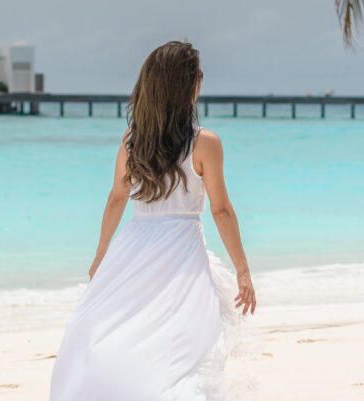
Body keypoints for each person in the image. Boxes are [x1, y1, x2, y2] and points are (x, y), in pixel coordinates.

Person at [49, 40, 256, 401]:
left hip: (134, 242)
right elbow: (222, 211)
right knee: (182, 332)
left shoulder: (133, 141)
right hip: (181, 248)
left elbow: (116, 198)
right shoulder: (205, 143)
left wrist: (101, 256)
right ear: (188, 86)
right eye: (198, 77)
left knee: (122, 324)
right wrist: (242, 270)